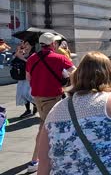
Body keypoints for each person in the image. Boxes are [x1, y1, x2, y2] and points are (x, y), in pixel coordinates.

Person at [26, 32, 76, 172]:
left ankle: (39, 158)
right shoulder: (59, 58)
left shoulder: (32, 58)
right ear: (53, 44)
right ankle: (36, 161)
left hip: (37, 98)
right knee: (45, 129)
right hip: (53, 97)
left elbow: (28, 78)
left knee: (45, 126)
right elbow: (75, 73)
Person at [12, 40, 37, 118]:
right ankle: (28, 110)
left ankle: (36, 104)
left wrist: (22, 58)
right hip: (21, 76)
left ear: (31, 46)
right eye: (24, 44)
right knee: (22, 95)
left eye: (27, 44)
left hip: (29, 77)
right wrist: (18, 52)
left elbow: (33, 65)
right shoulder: (21, 53)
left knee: (27, 94)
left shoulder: (34, 54)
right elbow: (12, 61)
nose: (25, 46)